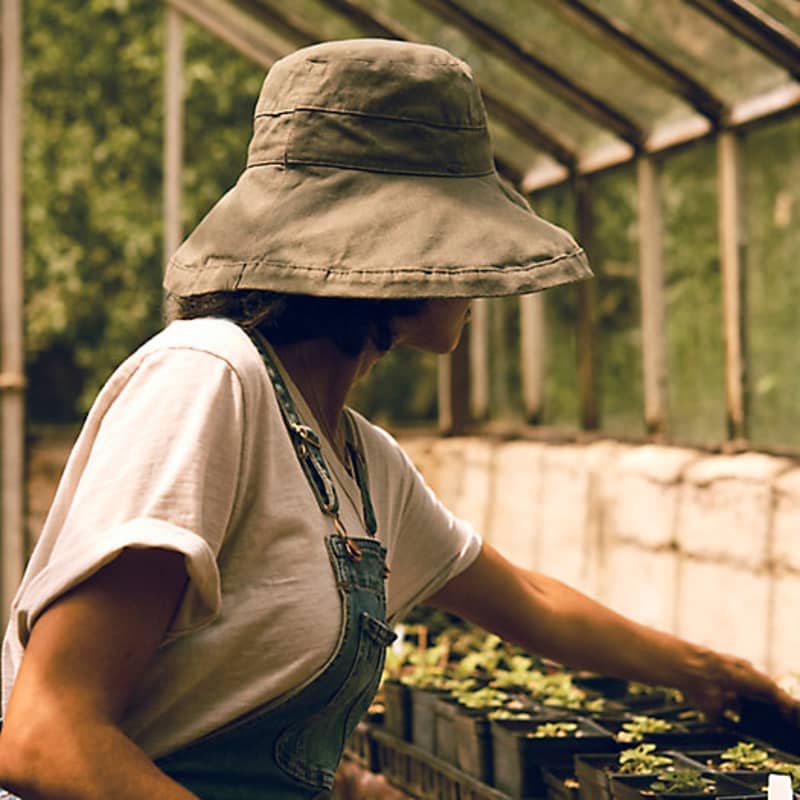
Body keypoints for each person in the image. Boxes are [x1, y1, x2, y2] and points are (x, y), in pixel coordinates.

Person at [0, 38, 795, 800]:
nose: (477, 279)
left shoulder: (356, 461)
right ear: (382, 256)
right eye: (455, 240)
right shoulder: (209, 379)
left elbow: (529, 600)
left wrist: (708, 674)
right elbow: (47, 738)